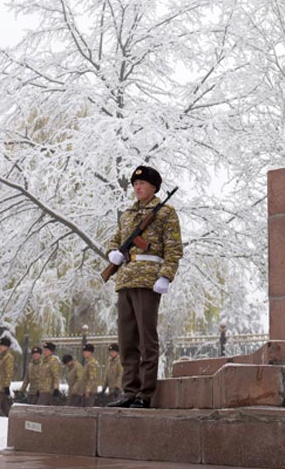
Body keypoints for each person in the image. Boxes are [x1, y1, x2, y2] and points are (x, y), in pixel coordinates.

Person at [105, 165, 182, 408]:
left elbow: (174, 248)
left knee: (147, 339)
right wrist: (111, 254)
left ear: (154, 187)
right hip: (125, 280)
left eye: (143, 184)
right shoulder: (127, 214)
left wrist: (166, 276)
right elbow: (115, 240)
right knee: (127, 340)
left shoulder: (166, 212)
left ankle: (144, 394)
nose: (137, 187)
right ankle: (129, 391)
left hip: (149, 281)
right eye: (135, 184)